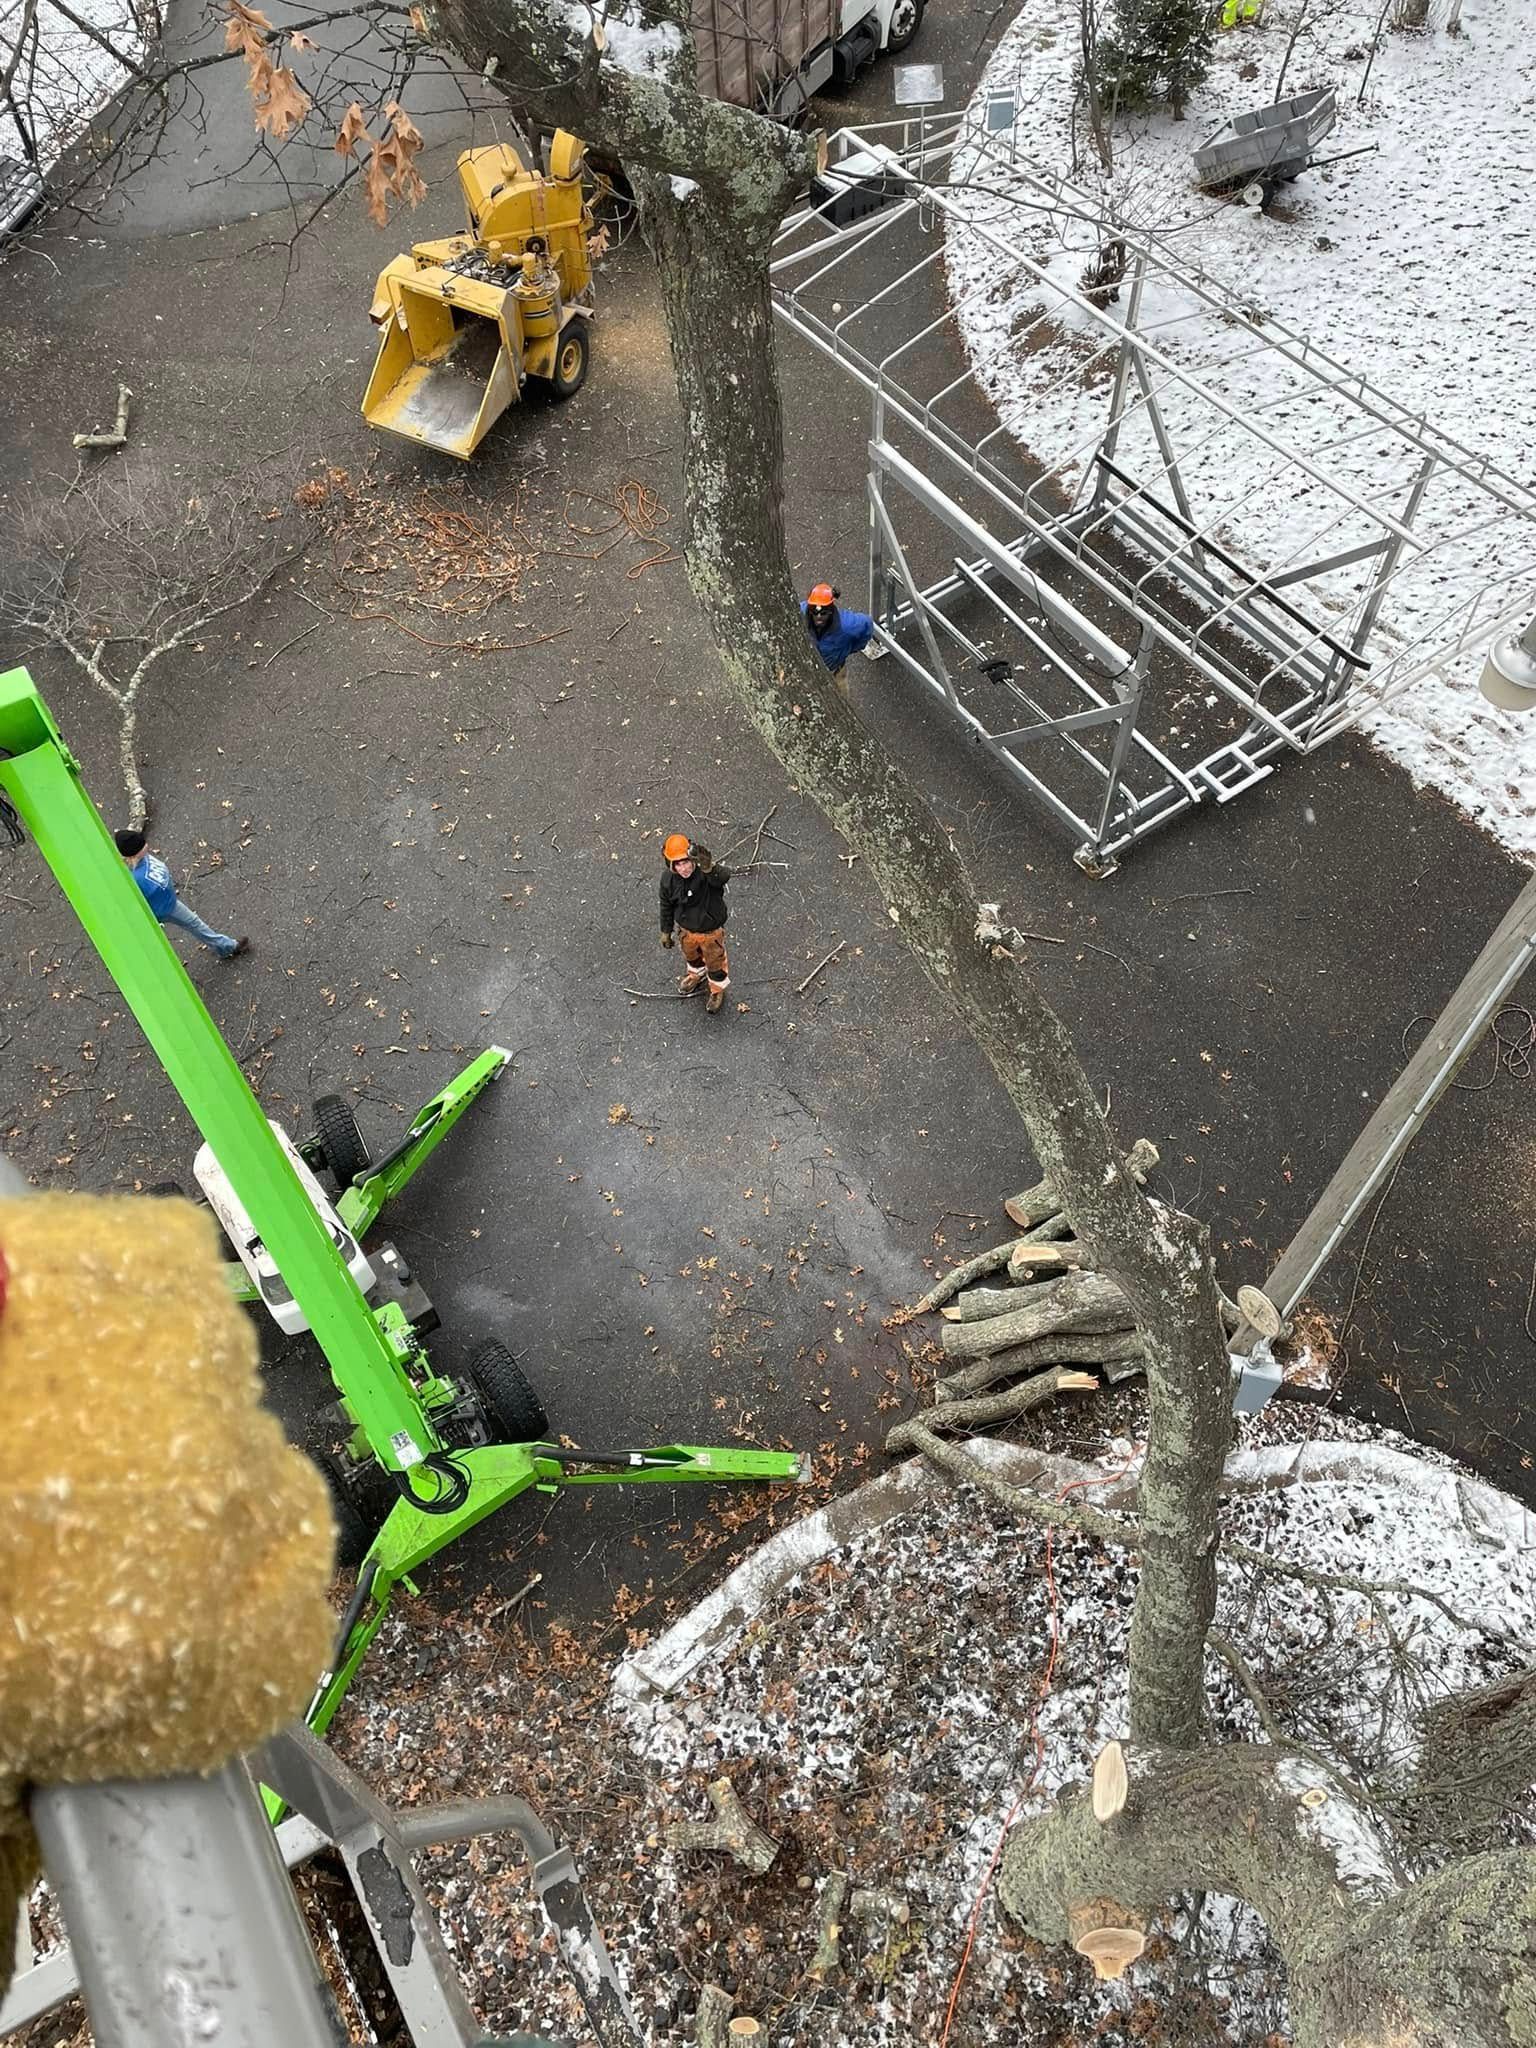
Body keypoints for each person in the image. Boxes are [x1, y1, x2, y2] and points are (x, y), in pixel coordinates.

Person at [113, 828, 248, 960]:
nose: (146, 846)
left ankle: (226, 947)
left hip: (168, 903)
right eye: (142, 846)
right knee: (195, 924)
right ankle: (228, 947)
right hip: (165, 909)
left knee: (195, 924)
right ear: (133, 853)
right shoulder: (136, 878)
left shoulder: (142, 860)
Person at [658, 833, 732, 1015]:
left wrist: (710, 868)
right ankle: (696, 974)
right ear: (671, 864)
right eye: (678, 864)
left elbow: (723, 877)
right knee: (691, 956)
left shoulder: (706, 875)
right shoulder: (668, 880)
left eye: (686, 862)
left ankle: (717, 989)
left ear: (692, 859)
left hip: (710, 933)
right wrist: (666, 931)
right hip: (686, 931)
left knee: (715, 962)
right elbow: (666, 905)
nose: (683, 868)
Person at [800, 581, 875, 685]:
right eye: (815, 612)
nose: (819, 617)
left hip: (835, 675)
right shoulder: (799, 614)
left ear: (830, 610)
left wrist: (850, 648)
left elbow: (867, 624)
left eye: (824, 613)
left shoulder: (847, 625)